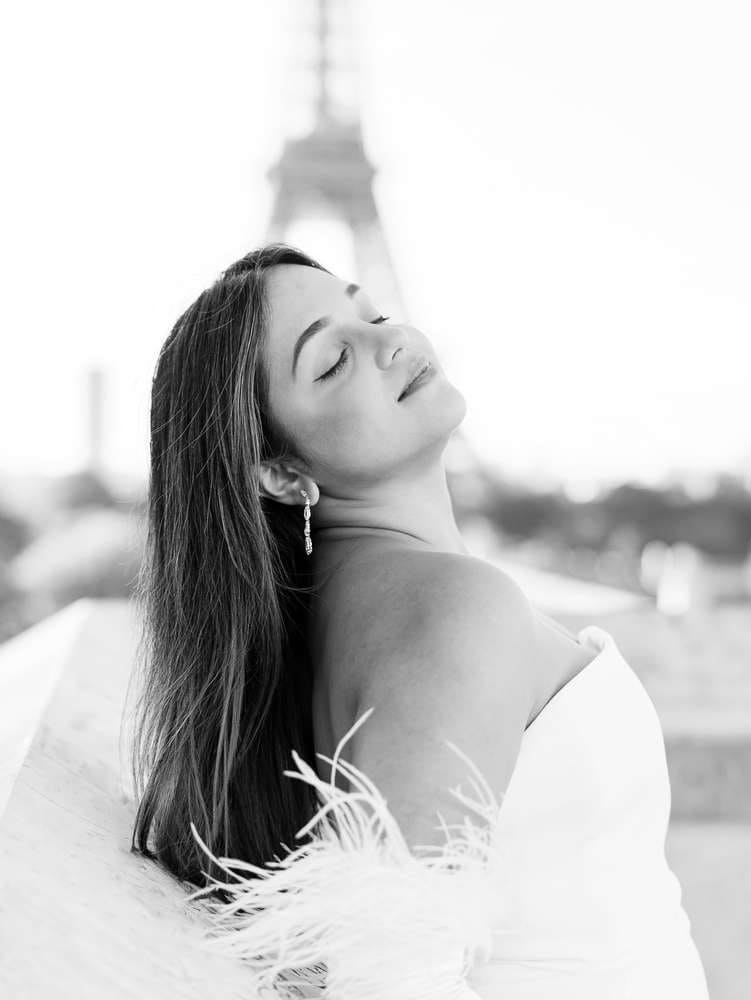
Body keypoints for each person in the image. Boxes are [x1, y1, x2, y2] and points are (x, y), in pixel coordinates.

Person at [129, 243, 710, 998]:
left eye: (370, 313)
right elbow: (394, 979)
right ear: (279, 471)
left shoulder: (356, 604)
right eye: (333, 360)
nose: (388, 339)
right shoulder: (447, 607)